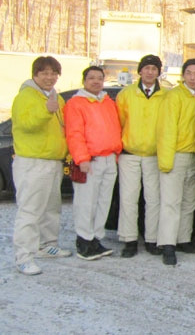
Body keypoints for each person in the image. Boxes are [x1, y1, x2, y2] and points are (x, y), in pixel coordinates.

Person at [11, 56, 71, 275]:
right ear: (35, 75)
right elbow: (25, 125)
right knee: (30, 211)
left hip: (53, 161)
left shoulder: (56, 97)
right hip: (33, 161)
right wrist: (46, 111)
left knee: (51, 208)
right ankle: (23, 257)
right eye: (44, 73)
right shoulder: (25, 96)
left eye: (53, 73)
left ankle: (47, 245)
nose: (49, 77)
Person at [63, 66, 123, 261]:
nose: (96, 81)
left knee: (103, 202)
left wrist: (116, 152)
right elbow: (74, 133)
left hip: (109, 159)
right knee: (86, 202)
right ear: (84, 81)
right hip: (90, 160)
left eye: (99, 78)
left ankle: (96, 238)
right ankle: (84, 240)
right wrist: (82, 159)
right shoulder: (76, 103)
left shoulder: (107, 102)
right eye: (91, 78)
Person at [156, 59, 195, 266]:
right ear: (183, 75)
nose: (193, 77)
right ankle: (167, 244)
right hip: (176, 154)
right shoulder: (174, 96)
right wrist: (166, 160)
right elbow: (166, 129)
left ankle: (183, 239)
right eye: (189, 73)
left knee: (189, 202)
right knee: (171, 202)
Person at [116, 54, 167, 258]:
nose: (150, 72)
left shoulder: (166, 95)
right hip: (130, 153)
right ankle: (129, 239)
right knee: (128, 198)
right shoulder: (126, 94)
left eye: (154, 69)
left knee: (153, 199)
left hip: (155, 154)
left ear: (158, 72)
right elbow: (119, 122)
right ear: (140, 71)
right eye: (146, 68)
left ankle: (152, 239)